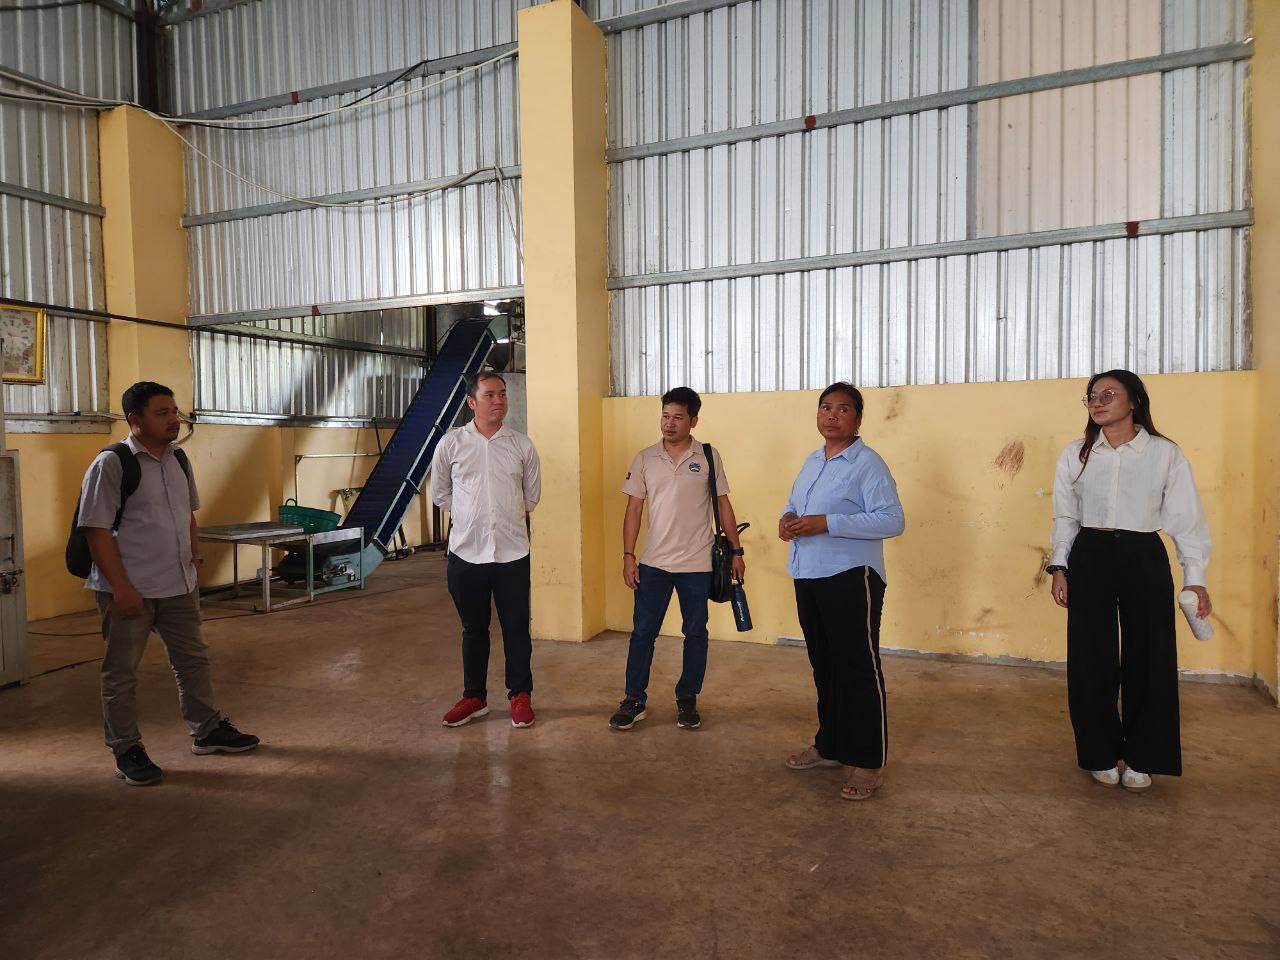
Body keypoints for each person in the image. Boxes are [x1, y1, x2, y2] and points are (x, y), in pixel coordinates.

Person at [78, 381, 258, 786]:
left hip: (178, 583)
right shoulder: (112, 463)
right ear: (135, 420)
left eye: (174, 411)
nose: (174, 419)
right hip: (130, 588)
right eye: (162, 413)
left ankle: (207, 730)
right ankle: (126, 748)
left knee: (192, 661)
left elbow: (187, 514)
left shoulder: (178, 459)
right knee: (121, 673)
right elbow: (96, 531)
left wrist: (192, 558)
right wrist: (121, 588)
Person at [1048, 369, 1211, 792]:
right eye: (1092, 396)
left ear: (1135, 401)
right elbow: (1065, 515)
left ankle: (1144, 756)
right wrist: (1060, 567)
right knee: (1091, 657)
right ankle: (1099, 753)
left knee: (1151, 655)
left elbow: (1187, 519)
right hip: (1090, 554)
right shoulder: (1077, 454)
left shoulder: (1164, 453)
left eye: (1109, 394)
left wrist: (1195, 577)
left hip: (1143, 555)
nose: (1097, 402)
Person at [781, 382, 905, 801]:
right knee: (825, 666)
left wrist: (827, 523)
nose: (832, 415)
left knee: (858, 668)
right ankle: (830, 745)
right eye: (825, 408)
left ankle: (869, 760)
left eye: (843, 409)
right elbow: (795, 505)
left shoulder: (867, 463)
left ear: (858, 418)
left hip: (851, 576)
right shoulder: (813, 460)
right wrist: (787, 519)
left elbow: (892, 520)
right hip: (809, 573)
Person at [609, 387, 745, 731]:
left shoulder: (708, 457)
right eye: (665, 416)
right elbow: (633, 510)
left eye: (678, 417)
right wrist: (628, 556)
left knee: (695, 633)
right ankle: (634, 699)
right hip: (654, 564)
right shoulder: (645, 458)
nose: (669, 423)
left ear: (693, 421)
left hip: (697, 565)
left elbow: (723, 504)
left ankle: (687, 697)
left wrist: (737, 550)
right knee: (643, 633)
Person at [433, 371, 542, 729]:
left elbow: (531, 497)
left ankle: (520, 695)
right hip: (466, 554)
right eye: (490, 394)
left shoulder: (521, 446)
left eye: (503, 394)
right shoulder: (451, 444)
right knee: (473, 629)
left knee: (516, 629)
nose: (499, 400)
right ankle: (474, 698)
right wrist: (471, 518)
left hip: (512, 554)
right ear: (472, 402)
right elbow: (441, 494)